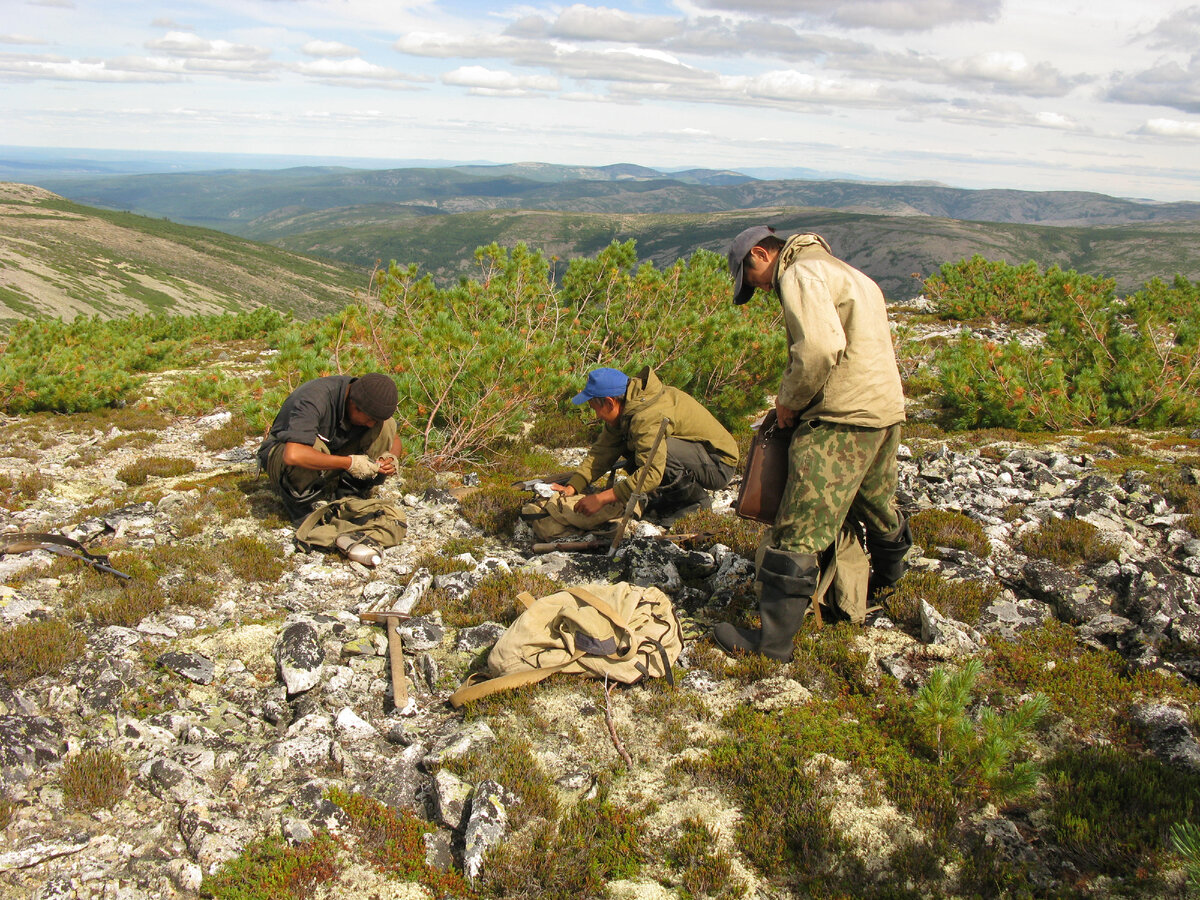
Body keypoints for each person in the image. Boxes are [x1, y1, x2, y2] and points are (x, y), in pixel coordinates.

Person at [713, 226, 912, 660]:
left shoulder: (799, 274)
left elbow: (819, 349)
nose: (761, 290)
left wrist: (789, 400)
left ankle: (772, 643)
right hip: (883, 411)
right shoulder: (848, 273)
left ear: (762, 254)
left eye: (753, 280)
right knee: (875, 504)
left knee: (799, 525)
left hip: (840, 419)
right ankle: (891, 588)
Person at [550, 366, 739, 521]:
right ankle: (667, 500)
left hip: (718, 464)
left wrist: (602, 498)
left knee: (659, 450)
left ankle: (694, 505)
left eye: (595, 409)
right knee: (638, 451)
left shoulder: (647, 416)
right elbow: (603, 451)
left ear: (609, 403)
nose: (597, 416)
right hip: (697, 456)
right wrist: (574, 485)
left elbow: (651, 471)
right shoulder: (626, 408)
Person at [257, 373, 404, 524]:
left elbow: (394, 438)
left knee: (387, 426)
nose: (371, 424)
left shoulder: (363, 400)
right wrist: (349, 463)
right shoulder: (314, 398)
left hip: (331, 457)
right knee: (309, 446)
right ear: (354, 405)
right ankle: (299, 500)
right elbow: (293, 455)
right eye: (369, 419)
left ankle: (351, 492)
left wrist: (391, 457)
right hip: (281, 458)